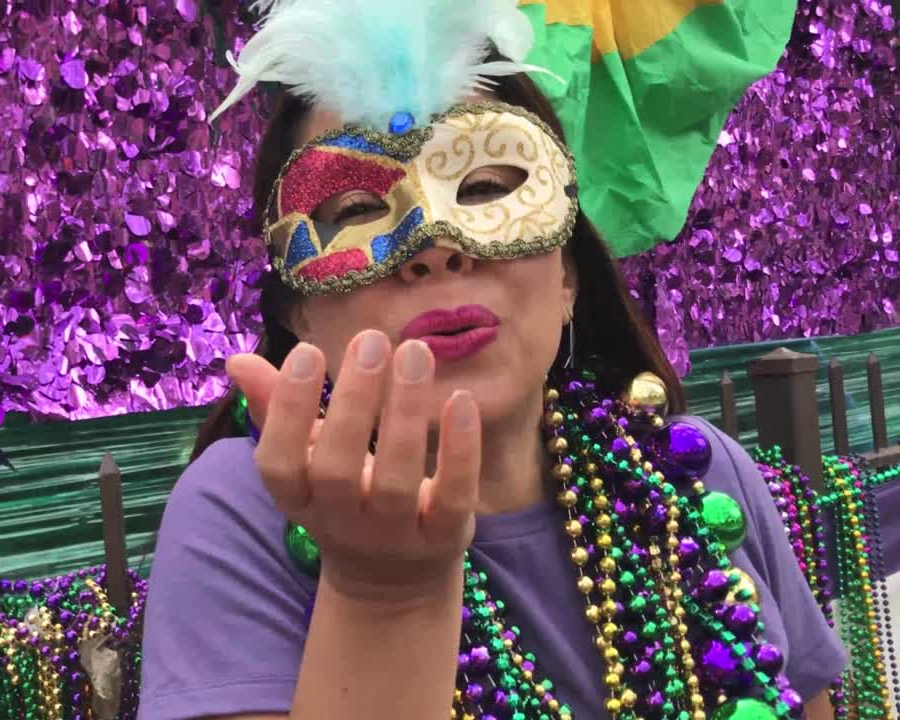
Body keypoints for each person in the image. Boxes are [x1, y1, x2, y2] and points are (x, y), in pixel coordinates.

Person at [137, 1, 847, 718]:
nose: (437, 244)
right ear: (299, 314)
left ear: (569, 275)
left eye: (485, 188)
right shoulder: (243, 513)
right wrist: (382, 593)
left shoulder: (701, 476)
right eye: (355, 211)